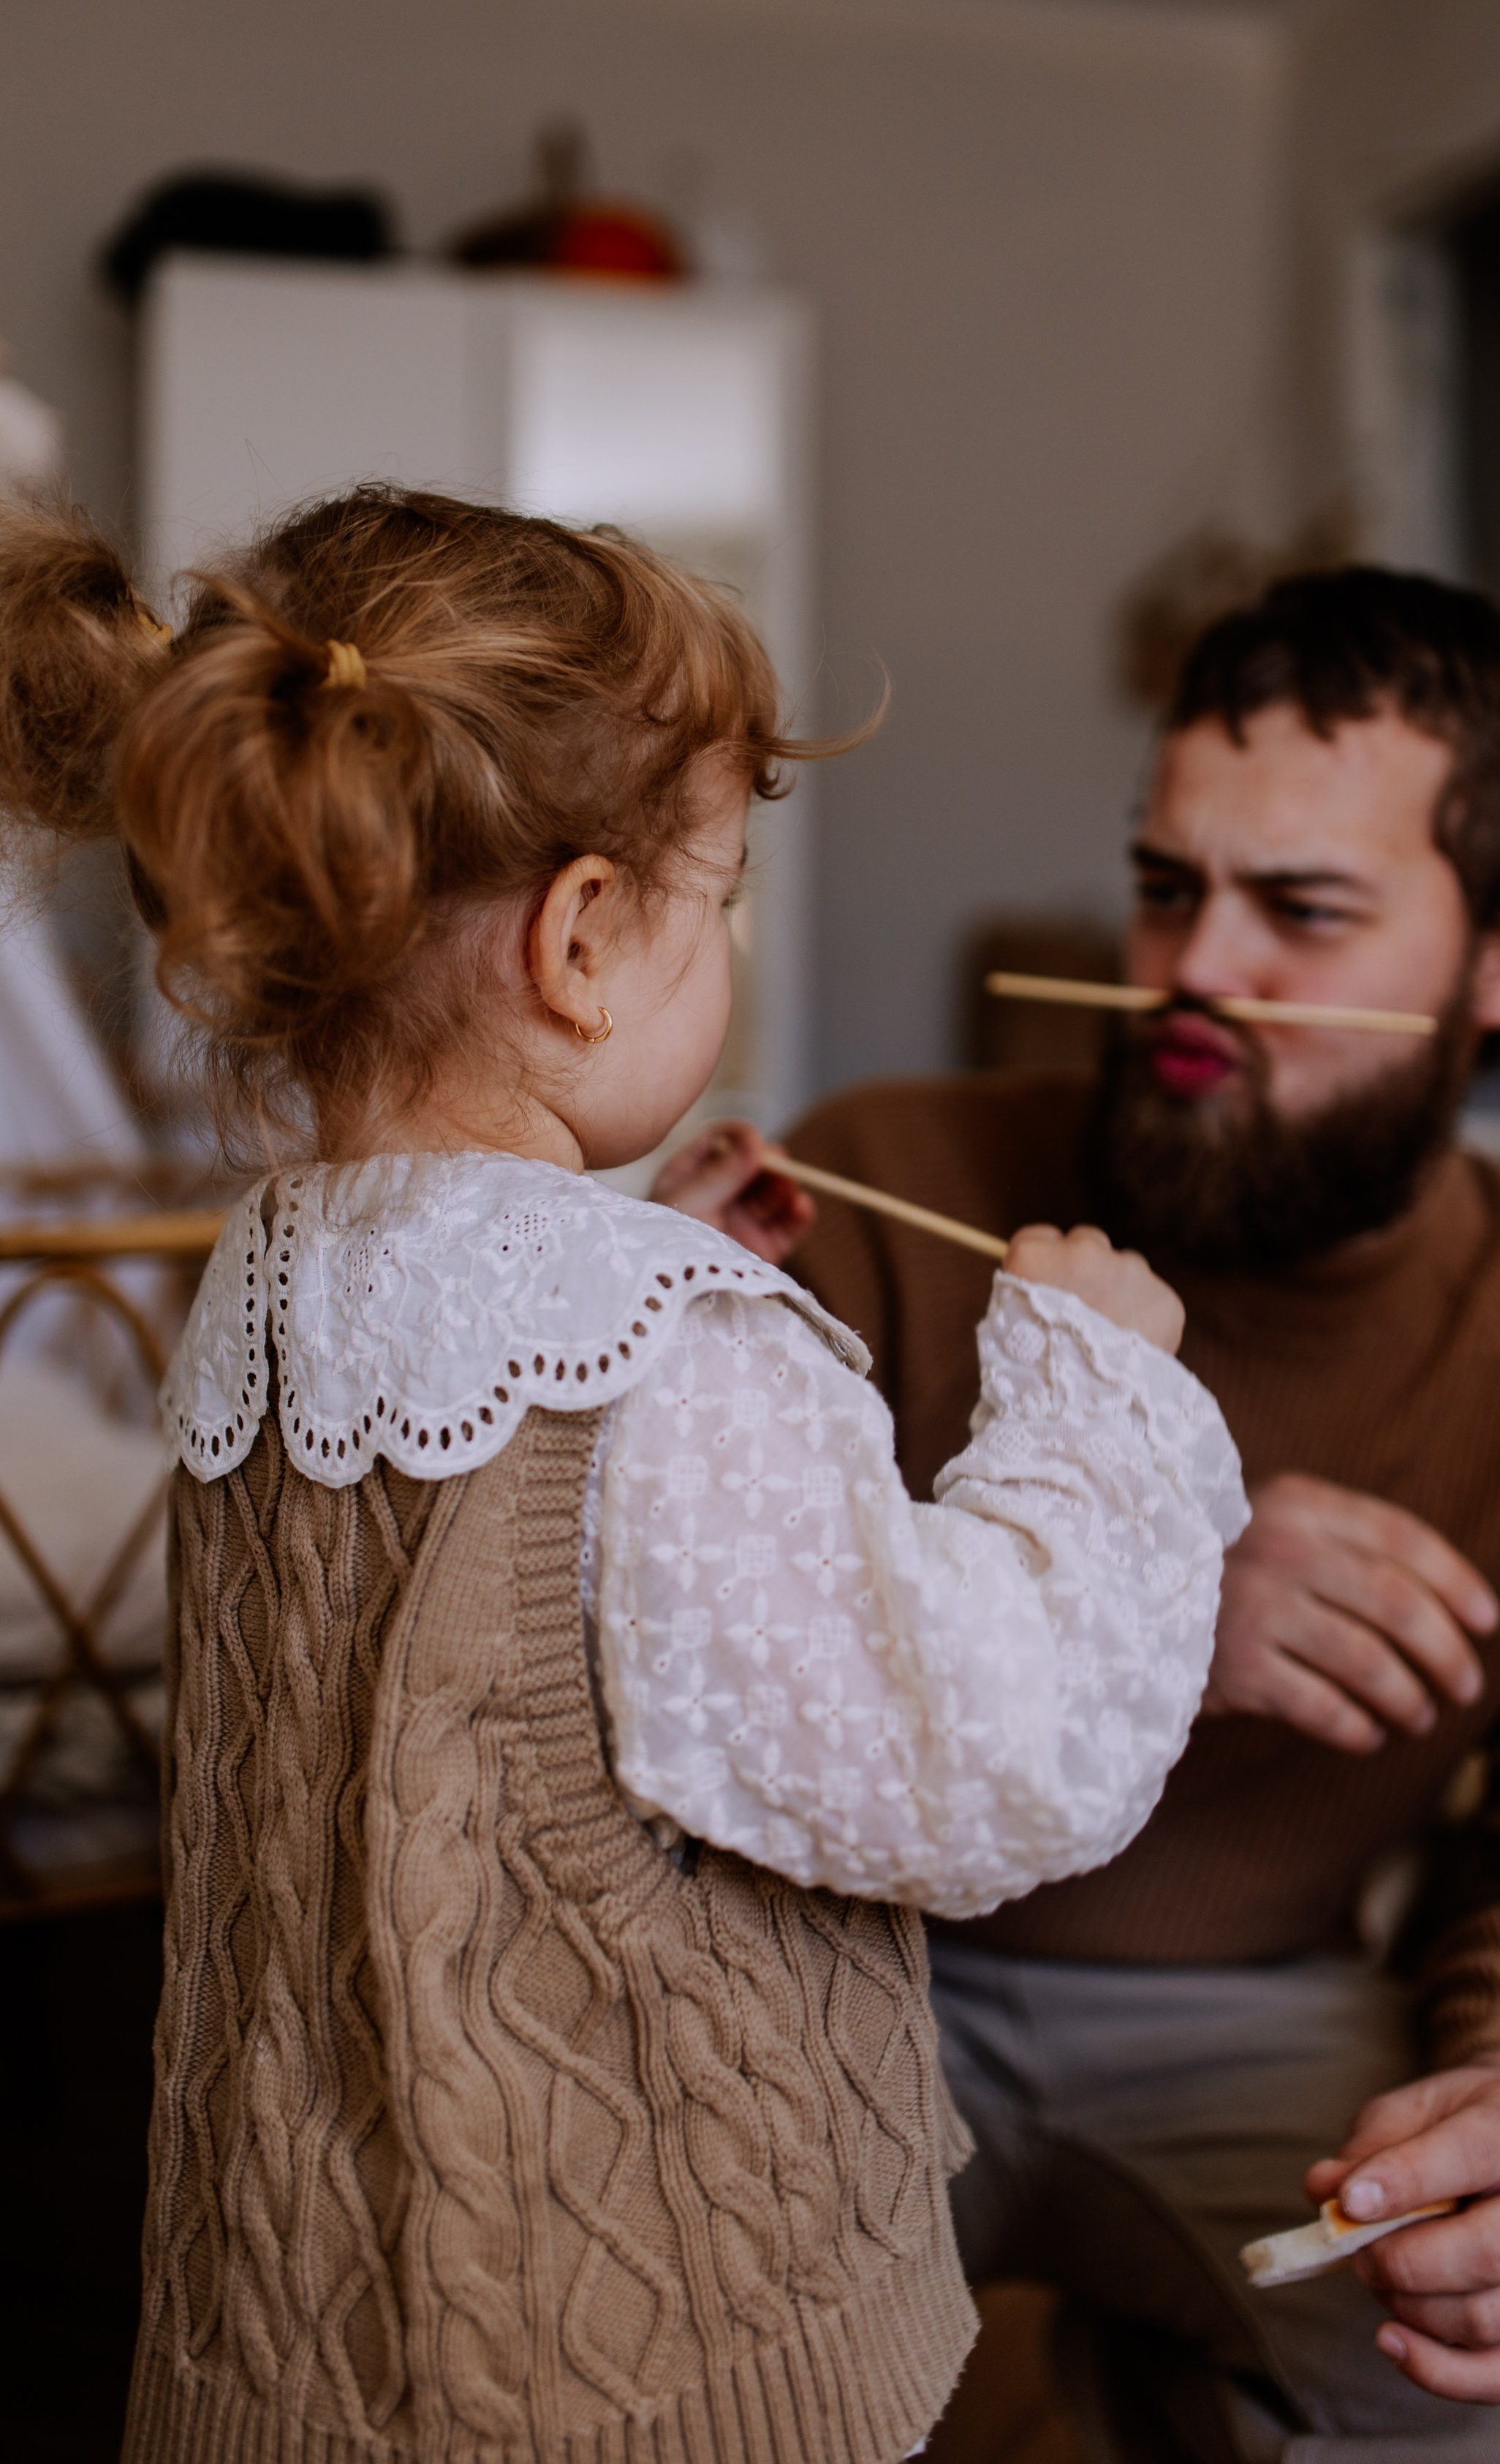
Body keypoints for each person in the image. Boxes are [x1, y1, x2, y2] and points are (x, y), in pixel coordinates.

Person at [0, 488, 1249, 2464]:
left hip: (308, 2340)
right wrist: (1096, 1396)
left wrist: (650, 1238)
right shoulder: (670, 1357)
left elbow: (477, 1639)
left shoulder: (267, 1276)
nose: (730, 936)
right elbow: (992, 1738)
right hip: (641, 2377)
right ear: (583, 939)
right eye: (721, 885)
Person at [673, 570, 1500, 2463]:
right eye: (1168, 885)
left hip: (1258, 2016)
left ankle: (1166, 2367)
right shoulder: (873, 1179)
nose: (1193, 972)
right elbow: (678, 1671)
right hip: (821, 1979)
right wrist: (1144, 1594)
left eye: (1306, 910)